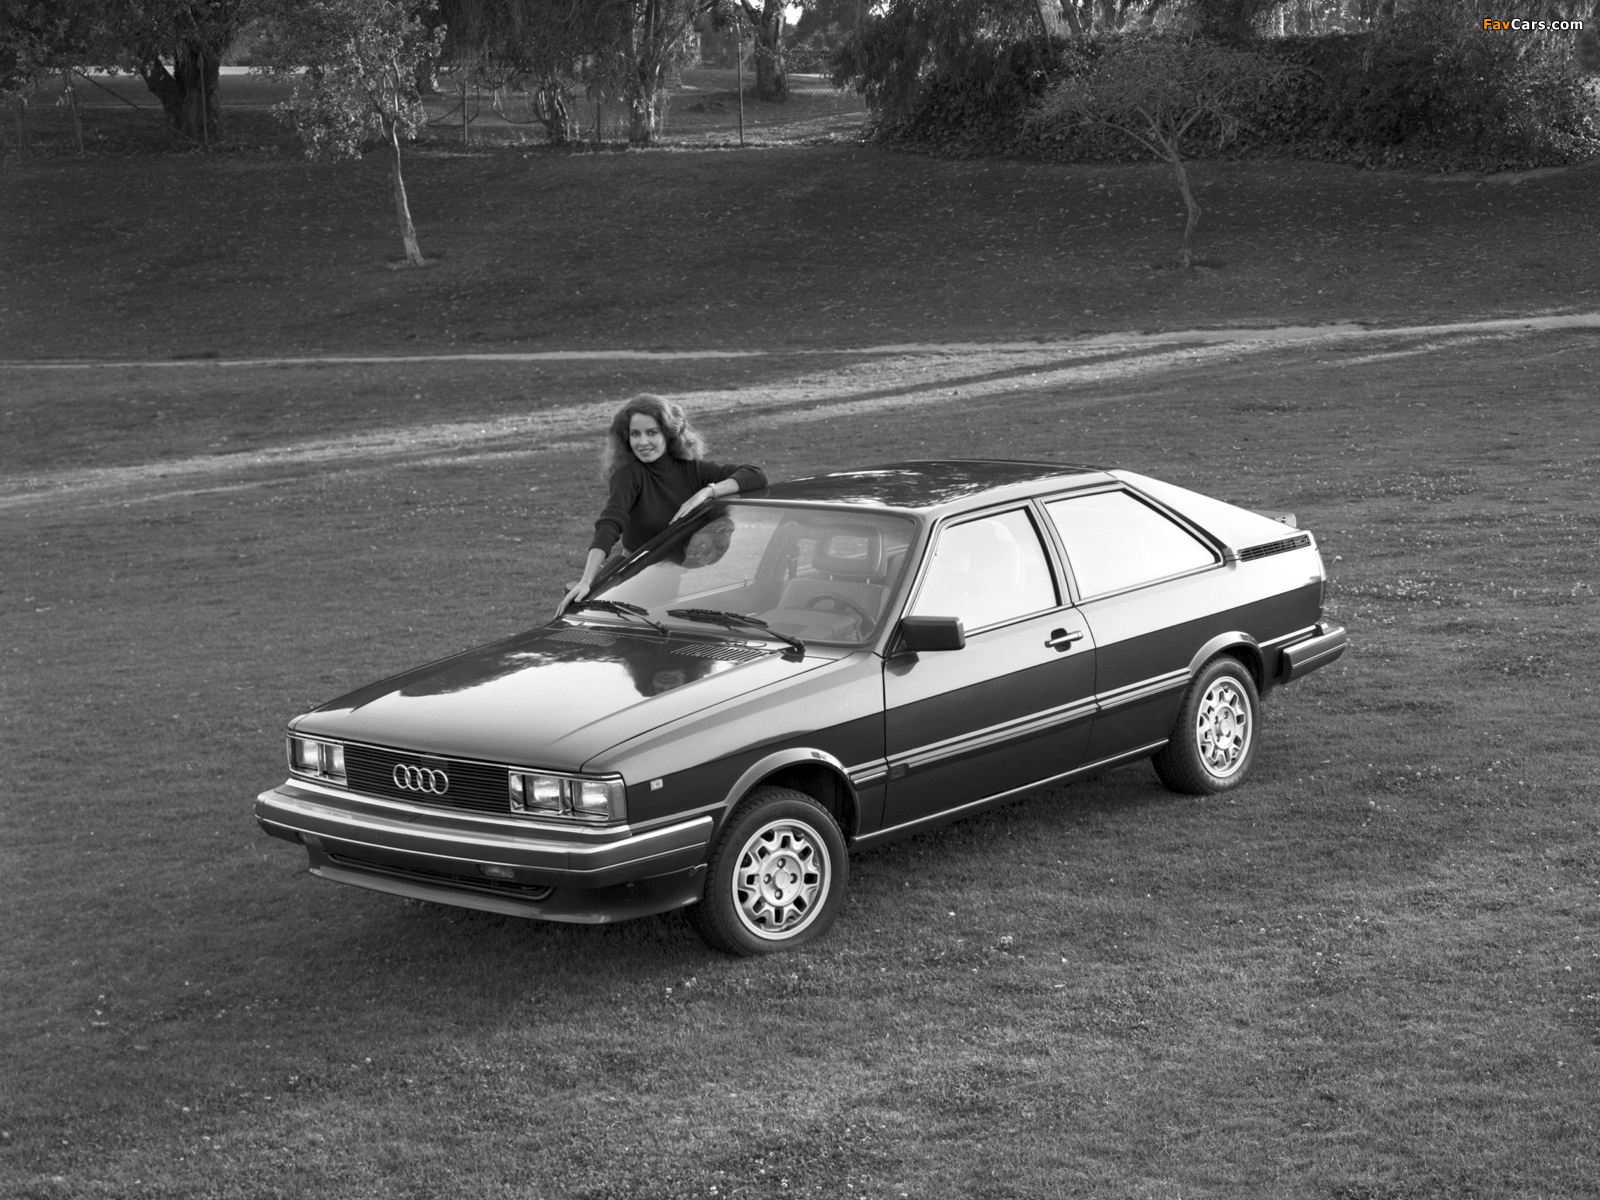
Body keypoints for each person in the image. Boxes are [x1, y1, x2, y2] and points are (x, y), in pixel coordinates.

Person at [557, 395, 766, 615]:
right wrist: (586, 580)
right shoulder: (629, 474)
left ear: (668, 433)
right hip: (630, 578)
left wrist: (707, 491)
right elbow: (610, 523)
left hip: (669, 578)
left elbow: (755, 474)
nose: (642, 442)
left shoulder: (693, 470)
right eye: (635, 434)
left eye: (651, 432)